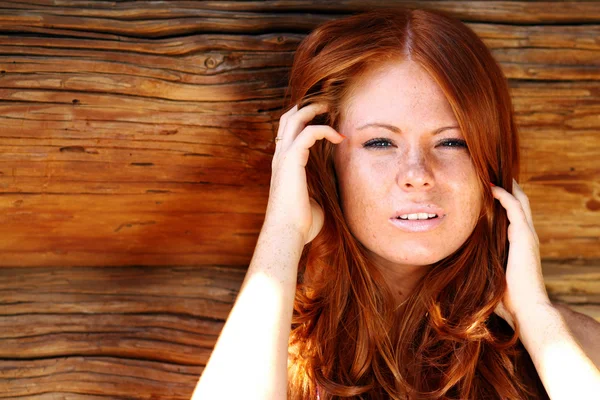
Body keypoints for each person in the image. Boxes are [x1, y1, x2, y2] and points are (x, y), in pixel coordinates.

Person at [192, 8, 600, 400]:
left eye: (452, 141)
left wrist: (534, 316)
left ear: (489, 165)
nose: (417, 172)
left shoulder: (570, 344)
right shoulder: (268, 345)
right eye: (381, 142)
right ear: (326, 161)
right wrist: (283, 231)